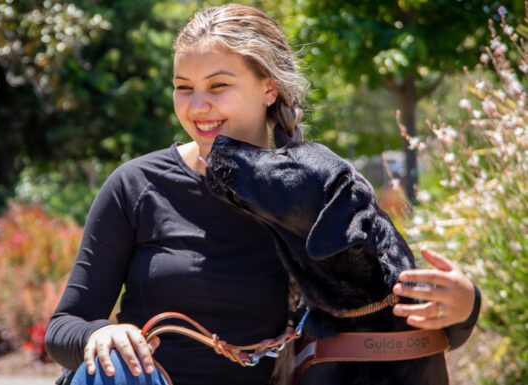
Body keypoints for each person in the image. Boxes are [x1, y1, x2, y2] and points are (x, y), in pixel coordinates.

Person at [44, 4, 481, 385]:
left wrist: (465, 307)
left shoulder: (307, 196)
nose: (197, 107)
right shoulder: (135, 185)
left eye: (218, 86)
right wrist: (96, 334)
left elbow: (381, 315)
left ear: (268, 88)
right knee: (113, 371)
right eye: (183, 87)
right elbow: (63, 327)